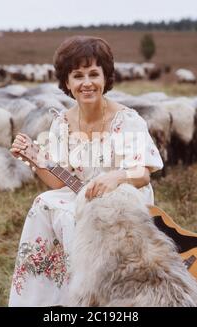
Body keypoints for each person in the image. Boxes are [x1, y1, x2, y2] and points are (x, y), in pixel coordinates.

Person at [8, 35, 163, 306]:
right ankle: (47, 298)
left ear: (106, 77)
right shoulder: (62, 124)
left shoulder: (127, 120)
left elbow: (143, 174)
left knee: (70, 216)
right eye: (78, 75)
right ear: (67, 83)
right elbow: (59, 185)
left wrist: (117, 176)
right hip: (82, 195)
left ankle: (90, 295)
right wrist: (35, 159)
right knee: (44, 203)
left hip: (125, 200)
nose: (87, 83)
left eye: (94, 73)